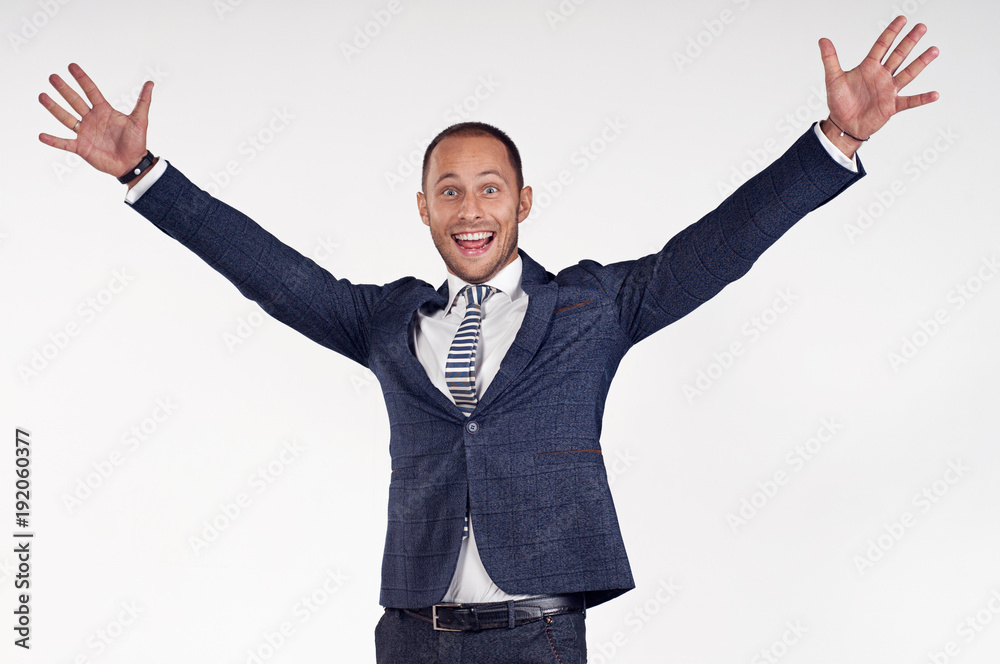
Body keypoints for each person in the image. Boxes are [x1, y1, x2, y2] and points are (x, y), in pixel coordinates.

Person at [38, 16, 938, 664]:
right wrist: (143, 176)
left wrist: (832, 143)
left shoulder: (595, 307)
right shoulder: (385, 320)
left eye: (490, 188)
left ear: (524, 201)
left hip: (539, 635)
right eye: (451, 191)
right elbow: (272, 272)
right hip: (411, 635)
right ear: (425, 209)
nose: (472, 209)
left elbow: (720, 246)